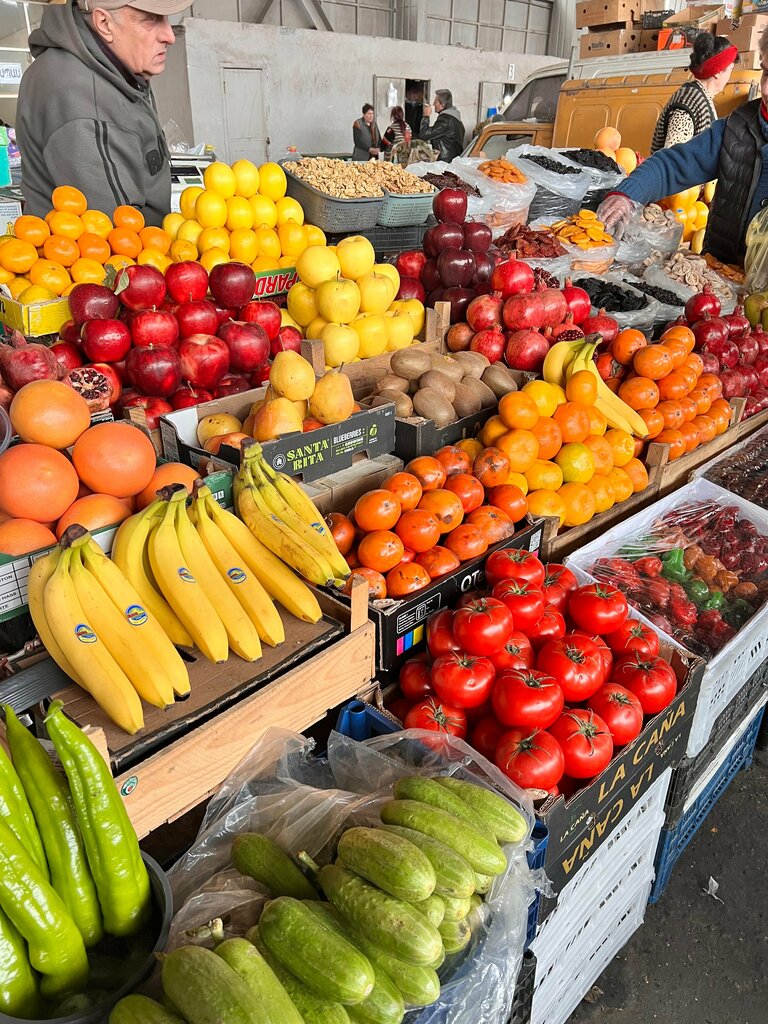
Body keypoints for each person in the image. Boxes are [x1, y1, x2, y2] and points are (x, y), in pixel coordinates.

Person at [597, 30, 768, 266]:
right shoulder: (738, 127)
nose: (766, 88)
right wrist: (626, 195)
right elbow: (673, 165)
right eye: (766, 72)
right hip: (724, 281)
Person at [16, 1, 190, 227]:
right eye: (151, 19)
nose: (169, 36)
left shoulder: (109, 67)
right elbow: (119, 236)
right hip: (109, 260)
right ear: (104, 23)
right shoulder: (82, 97)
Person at [651, 34, 737, 153]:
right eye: (730, 69)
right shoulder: (688, 103)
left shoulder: (700, 98)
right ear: (717, 72)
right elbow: (673, 158)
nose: (730, 76)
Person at [419, 90, 465, 163]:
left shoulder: (446, 120)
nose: (433, 104)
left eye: (435, 102)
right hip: (452, 161)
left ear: (442, 105)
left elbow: (424, 134)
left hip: (445, 163)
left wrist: (426, 116)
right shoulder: (457, 120)